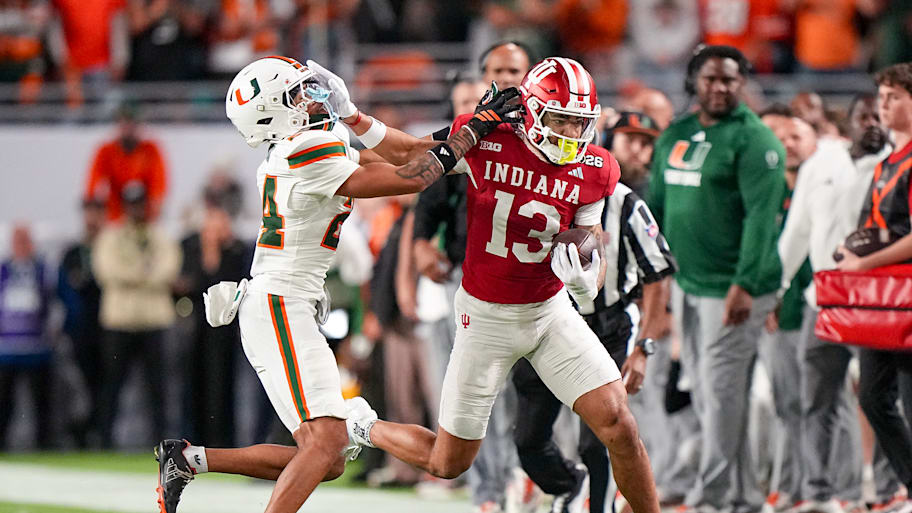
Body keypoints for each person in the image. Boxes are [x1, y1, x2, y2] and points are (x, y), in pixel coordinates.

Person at [153, 55, 520, 513]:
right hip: (280, 304)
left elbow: (407, 152)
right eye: (295, 95)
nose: (308, 99)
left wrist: (360, 116)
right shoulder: (303, 149)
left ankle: (188, 459)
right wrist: (471, 132)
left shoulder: (301, 146)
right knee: (325, 446)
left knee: (325, 458)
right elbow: (413, 176)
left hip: (289, 304)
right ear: (272, 114)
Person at [340, 56, 662, 513]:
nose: (571, 134)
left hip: (549, 312)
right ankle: (363, 426)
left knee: (619, 424)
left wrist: (585, 279)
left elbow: (592, 244)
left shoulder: (596, 166)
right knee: (448, 462)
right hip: (485, 316)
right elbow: (408, 156)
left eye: (579, 123)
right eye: (561, 120)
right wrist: (354, 117)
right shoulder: (488, 137)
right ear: (531, 112)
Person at [511, 113, 677, 513]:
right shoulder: (534, 189)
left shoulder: (624, 203)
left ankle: (598, 508)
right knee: (528, 439)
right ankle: (572, 485)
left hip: (608, 326)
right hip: (547, 322)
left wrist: (644, 348)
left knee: (599, 435)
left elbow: (657, 274)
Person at [647, 45, 785, 513]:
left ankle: (712, 498)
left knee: (722, 395)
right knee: (708, 395)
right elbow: (657, 212)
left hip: (735, 288)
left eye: (730, 79)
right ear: (695, 82)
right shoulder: (676, 134)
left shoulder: (756, 141)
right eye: (711, 79)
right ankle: (743, 497)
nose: (720, 87)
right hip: (687, 284)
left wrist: (744, 284)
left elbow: (762, 222)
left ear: (742, 83)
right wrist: (657, 278)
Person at [413, 41, 532, 513]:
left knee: (536, 397)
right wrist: (421, 250)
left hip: (532, 286)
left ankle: (533, 477)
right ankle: (491, 490)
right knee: (472, 395)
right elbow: (423, 211)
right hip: (467, 280)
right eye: (496, 71)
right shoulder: (464, 140)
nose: (504, 79)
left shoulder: (546, 131)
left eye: (513, 70)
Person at [774, 115, 865, 513]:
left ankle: (887, 488)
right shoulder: (821, 164)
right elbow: (796, 233)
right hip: (823, 298)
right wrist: (776, 287)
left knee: (883, 398)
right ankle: (820, 492)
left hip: (879, 299)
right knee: (816, 399)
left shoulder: (891, 161)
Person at [836, 62, 912, 513]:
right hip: (879, 295)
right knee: (872, 396)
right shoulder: (887, 161)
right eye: (881, 96)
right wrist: (850, 253)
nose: (882, 106)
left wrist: (867, 259)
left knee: (900, 394)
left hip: (901, 290)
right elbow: (876, 226)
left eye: (894, 97)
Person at [93, 181, 181, 449]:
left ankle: (163, 445)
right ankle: (104, 441)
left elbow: (169, 270)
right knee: (112, 386)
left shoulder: (160, 236)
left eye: (140, 204)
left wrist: (132, 274)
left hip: (154, 321)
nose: (136, 209)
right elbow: (107, 272)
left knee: (158, 389)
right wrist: (146, 274)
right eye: (132, 204)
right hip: (119, 322)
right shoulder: (111, 235)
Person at [57, 196, 107, 448]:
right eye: (90, 212)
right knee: (79, 385)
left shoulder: (111, 248)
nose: (93, 218)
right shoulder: (73, 252)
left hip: (107, 327)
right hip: (80, 330)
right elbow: (65, 290)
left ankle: (100, 433)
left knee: (103, 384)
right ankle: (78, 433)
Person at [0, 224, 52, 449]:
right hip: (7, 348)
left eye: (25, 240)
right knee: (4, 402)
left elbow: (58, 302)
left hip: (37, 347)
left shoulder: (43, 270)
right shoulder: (3, 270)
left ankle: (44, 445)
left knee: (41, 402)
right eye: (17, 240)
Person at [85, 106, 168, 221]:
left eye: (132, 123)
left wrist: (155, 209)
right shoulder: (106, 151)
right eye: (124, 123)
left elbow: (159, 184)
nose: (128, 129)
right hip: (116, 212)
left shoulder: (150, 150)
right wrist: (94, 206)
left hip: (144, 212)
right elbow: (93, 182)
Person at [603, 111, 662, 198]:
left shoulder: (657, 191)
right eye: (629, 139)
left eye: (645, 143)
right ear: (610, 142)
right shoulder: (594, 183)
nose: (636, 149)